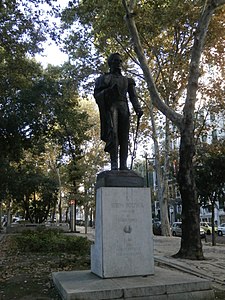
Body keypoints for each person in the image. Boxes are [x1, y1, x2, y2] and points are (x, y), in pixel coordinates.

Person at [94, 53, 143, 170]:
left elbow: (133, 96)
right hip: (111, 107)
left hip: (124, 107)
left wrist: (138, 108)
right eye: (116, 61)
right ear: (111, 63)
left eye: (120, 61)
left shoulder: (127, 80)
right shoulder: (103, 79)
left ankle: (123, 165)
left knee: (124, 136)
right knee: (113, 135)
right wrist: (108, 92)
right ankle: (114, 164)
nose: (119, 63)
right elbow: (97, 95)